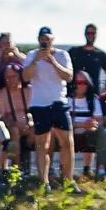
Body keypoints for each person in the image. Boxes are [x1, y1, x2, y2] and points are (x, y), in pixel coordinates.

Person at [22, 27, 73, 185]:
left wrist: (52, 61)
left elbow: (68, 76)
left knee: (67, 142)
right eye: (42, 39)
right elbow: (25, 77)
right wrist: (36, 60)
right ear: (39, 40)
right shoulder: (32, 55)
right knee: (42, 145)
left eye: (48, 39)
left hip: (58, 103)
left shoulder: (62, 54)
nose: (45, 42)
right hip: (39, 105)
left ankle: (68, 180)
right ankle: (44, 182)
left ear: (52, 40)